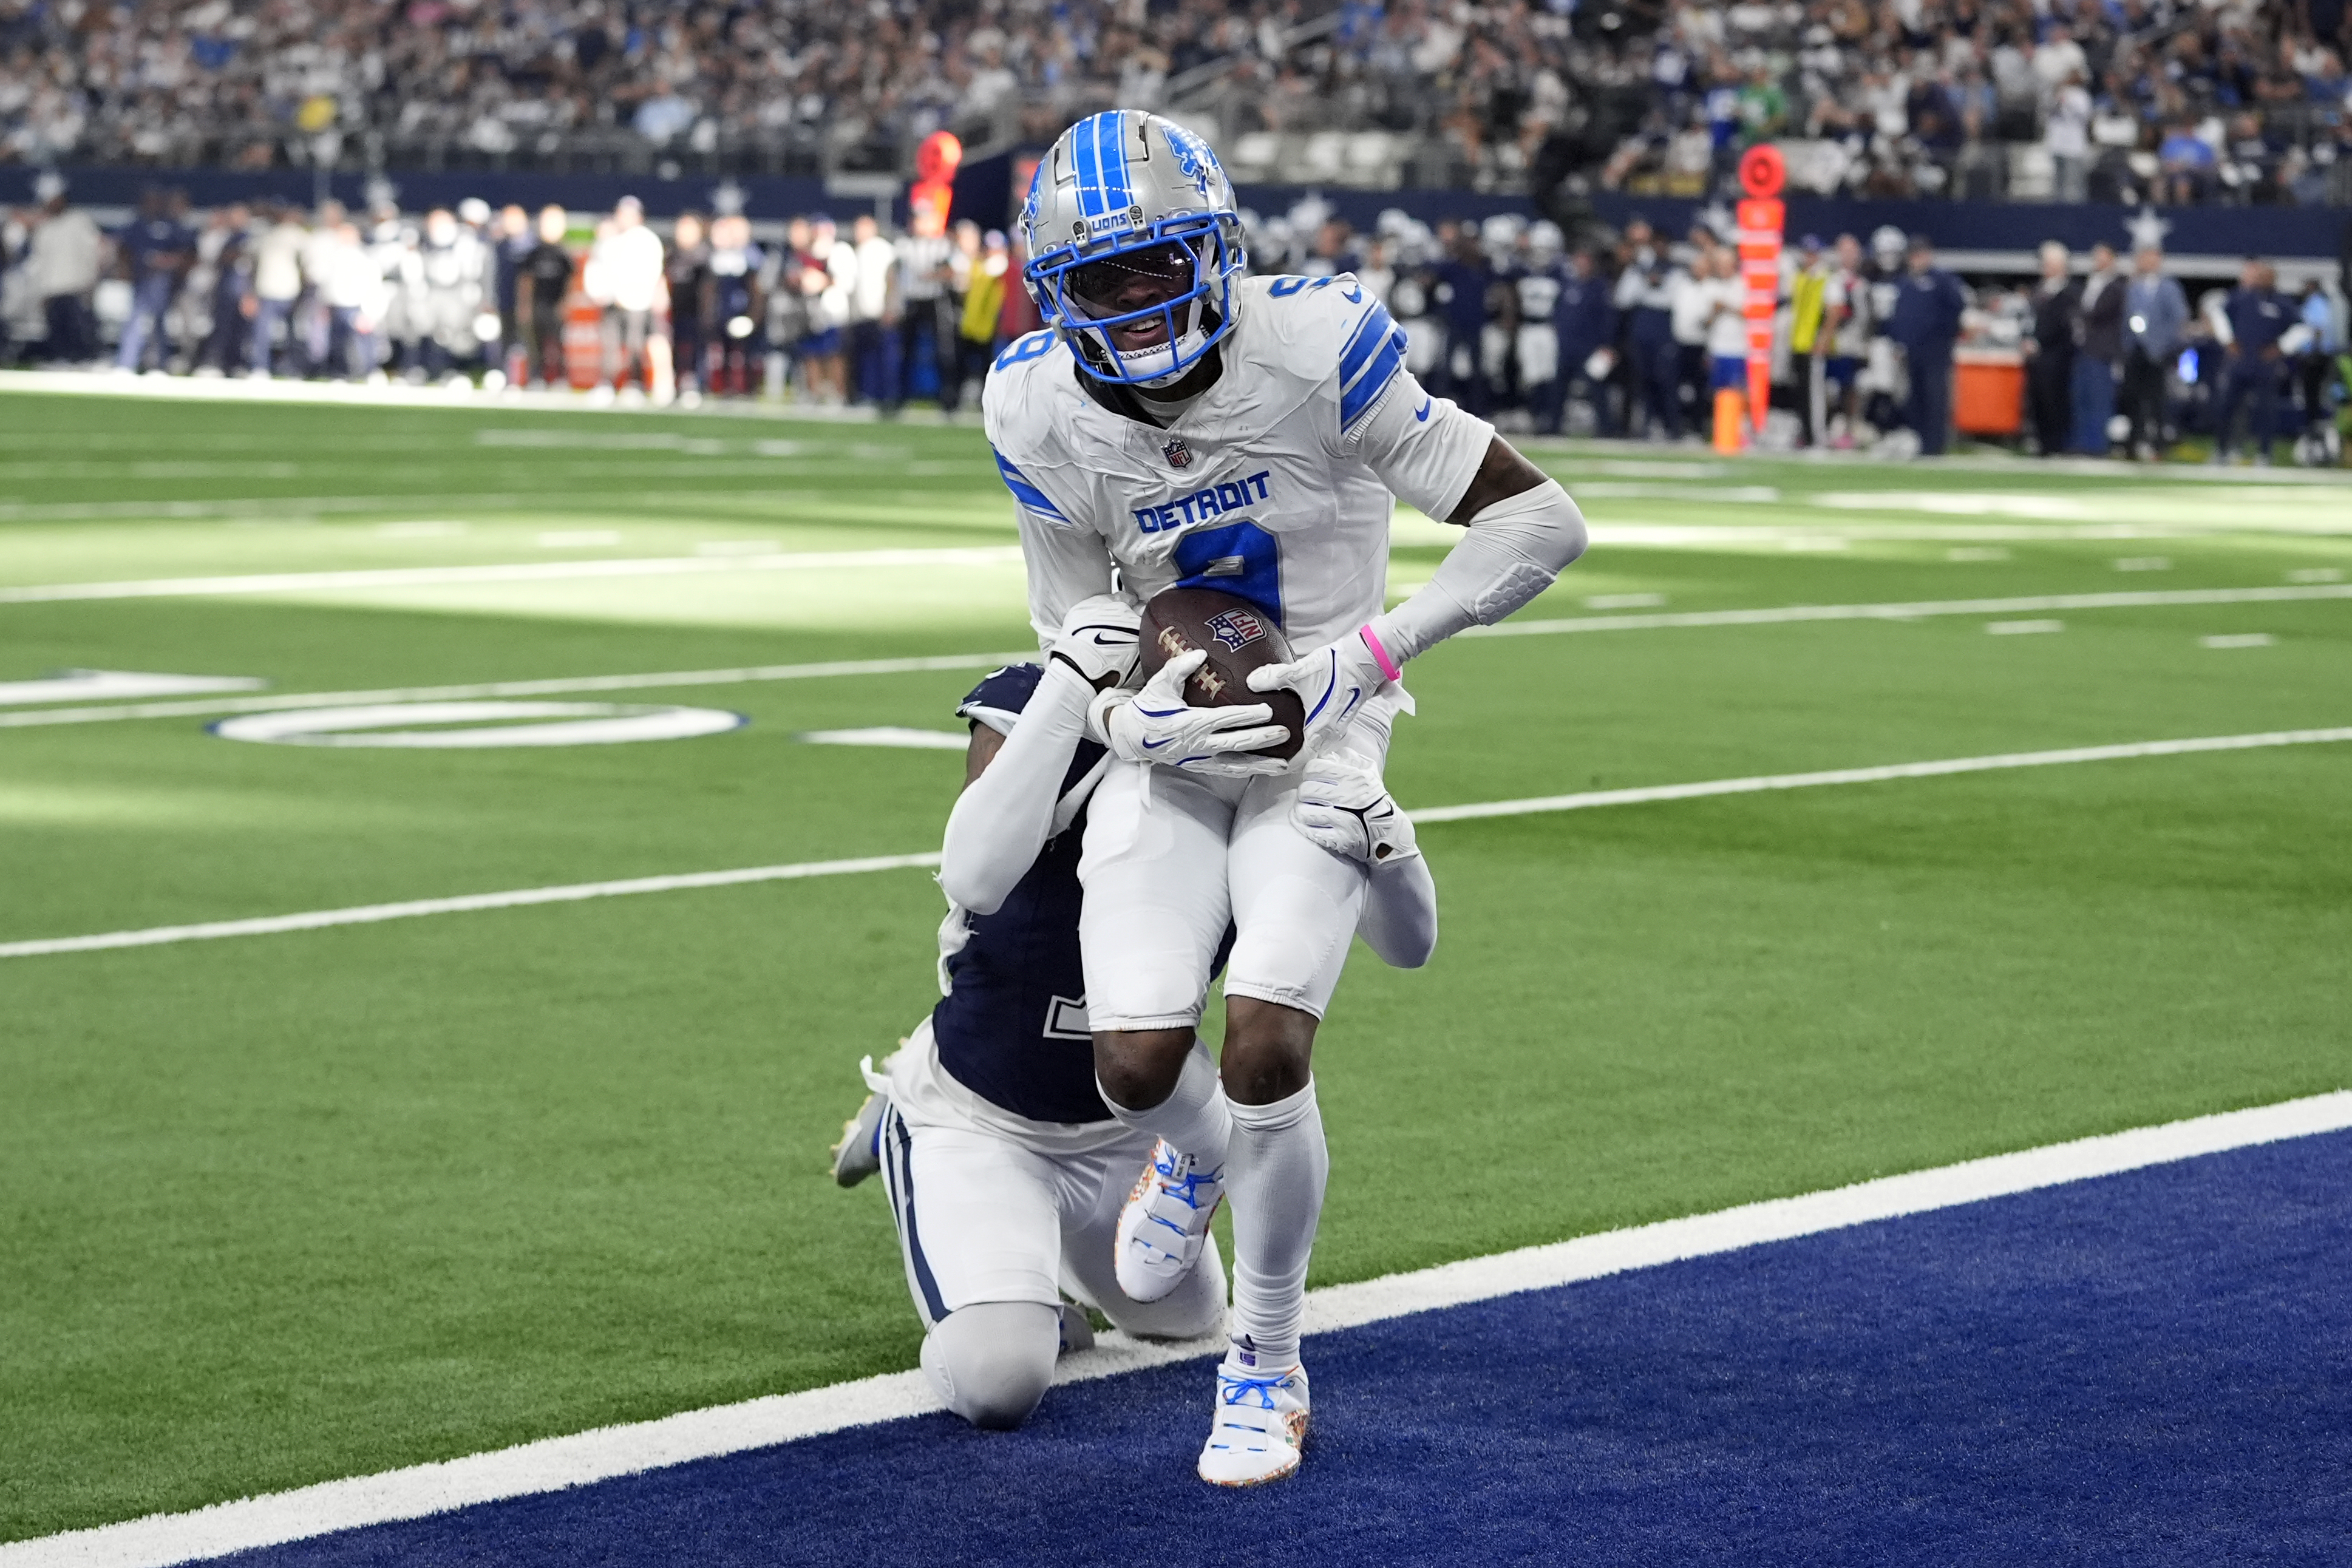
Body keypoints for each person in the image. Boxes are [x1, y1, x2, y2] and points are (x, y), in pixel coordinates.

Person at [985, 110, 1588, 1487]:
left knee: (1264, 1039)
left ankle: (1263, 1360)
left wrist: (1358, 662)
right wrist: (1115, 701)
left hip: (1327, 736)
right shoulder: (1028, 398)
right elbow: (1070, 610)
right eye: (1102, 280)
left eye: (1160, 268)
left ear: (1218, 251)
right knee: (1134, 1062)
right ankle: (1195, 1161)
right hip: (1172, 743)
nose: (1136, 304)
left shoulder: (1312, 341)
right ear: (1052, 294)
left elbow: (1540, 522)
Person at [829, 616, 1438, 1433]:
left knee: (1180, 1320)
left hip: (1131, 1126)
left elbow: (1407, 943)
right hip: (988, 1110)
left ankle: (1049, 1248)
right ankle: (913, 1124)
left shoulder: (1272, 752)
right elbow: (974, 873)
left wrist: (1390, 842)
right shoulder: (1048, 701)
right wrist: (1075, 688)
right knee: (998, 1377)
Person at [1885, 234, 1966, 456]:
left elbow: (1955, 310)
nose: (1916, 259)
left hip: (1935, 350)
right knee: (1916, 397)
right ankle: (1919, 441)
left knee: (1935, 397)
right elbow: (1899, 315)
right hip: (1912, 350)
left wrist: (1943, 337)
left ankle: (1935, 445)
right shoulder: (1905, 282)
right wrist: (1899, 341)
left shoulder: (1942, 281)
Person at [2212, 258, 2293, 466]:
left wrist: (2282, 347)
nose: (2262, 280)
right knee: (2226, 407)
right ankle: (2221, 451)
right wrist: (2228, 340)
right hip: (2240, 362)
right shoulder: (2241, 298)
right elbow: (2219, 314)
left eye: (2266, 276)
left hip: (2264, 366)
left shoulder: (2282, 303)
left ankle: (2265, 453)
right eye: (2260, 276)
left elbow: (2302, 328)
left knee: (2265, 411)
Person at [589, 195, 667, 396]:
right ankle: (608, 384)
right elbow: (598, 269)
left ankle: (635, 384)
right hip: (612, 302)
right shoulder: (610, 239)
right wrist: (601, 293)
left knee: (635, 345)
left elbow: (652, 273)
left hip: (637, 302)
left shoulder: (647, 240)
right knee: (610, 346)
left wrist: (633, 292)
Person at [113, 189, 194, 372]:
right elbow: (124, 248)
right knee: (136, 319)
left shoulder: (170, 225)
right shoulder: (137, 225)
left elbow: (186, 252)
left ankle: (160, 363)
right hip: (141, 278)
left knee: (158, 321)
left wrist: (167, 261)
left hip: (163, 280)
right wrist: (125, 269)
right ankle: (126, 362)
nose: (153, 205)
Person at [2120, 245, 2188, 461]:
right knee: (2133, 398)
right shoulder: (2133, 287)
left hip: (2157, 352)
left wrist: (2163, 345)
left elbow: (2177, 319)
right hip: (2135, 350)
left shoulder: (2169, 287)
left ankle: (2158, 446)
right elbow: (2126, 318)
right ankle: (2133, 444)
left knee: (2156, 400)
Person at [1614, 240, 1677, 438]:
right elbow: (1622, 299)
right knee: (1641, 381)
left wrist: (1658, 283)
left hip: (1663, 330)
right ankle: (1645, 425)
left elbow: (1673, 299)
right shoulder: (1635, 274)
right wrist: (1639, 278)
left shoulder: (1674, 273)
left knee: (1666, 380)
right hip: (1642, 329)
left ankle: (1672, 426)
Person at [1554, 248, 1619, 437]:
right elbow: (1559, 314)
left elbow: (1608, 319)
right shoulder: (1567, 285)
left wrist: (1607, 345)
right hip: (1568, 346)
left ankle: (1606, 428)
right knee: (1559, 388)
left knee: (1598, 389)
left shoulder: (1599, 288)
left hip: (1591, 348)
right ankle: (1553, 425)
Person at [2024, 241, 2079, 458]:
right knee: (2036, 400)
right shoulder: (2039, 290)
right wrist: (2027, 340)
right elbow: (2030, 321)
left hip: (2057, 357)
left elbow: (2064, 326)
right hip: (2036, 357)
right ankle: (2041, 442)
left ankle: (2057, 443)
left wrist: (2040, 342)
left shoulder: (2070, 293)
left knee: (2055, 400)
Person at [2069, 242, 2123, 455]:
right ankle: (2081, 442)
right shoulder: (2089, 284)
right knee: (2081, 397)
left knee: (2099, 399)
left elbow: (2097, 315)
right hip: (2083, 349)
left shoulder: (2117, 287)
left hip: (2102, 351)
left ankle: (2097, 445)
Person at [514, 206, 576, 387]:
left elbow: (570, 282)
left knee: (559, 344)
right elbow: (526, 281)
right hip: (537, 305)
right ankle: (537, 378)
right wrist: (524, 306)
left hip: (556, 305)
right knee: (536, 345)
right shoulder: (534, 252)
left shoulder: (564, 253)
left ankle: (561, 379)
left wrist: (565, 304)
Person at [705, 212, 764, 397]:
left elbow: (756, 288)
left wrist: (754, 315)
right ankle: (724, 387)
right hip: (723, 310)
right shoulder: (719, 255)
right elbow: (710, 287)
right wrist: (708, 311)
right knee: (722, 352)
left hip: (742, 310)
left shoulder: (750, 254)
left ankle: (746, 388)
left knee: (745, 353)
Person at [1786, 235, 1830, 447]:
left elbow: (1833, 311)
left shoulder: (1825, 277)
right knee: (1802, 393)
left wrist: (1823, 339)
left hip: (1813, 343)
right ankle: (1806, 434)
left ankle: (1816, 437)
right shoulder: (1801, 277)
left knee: (1814, 396)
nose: (1809, 257)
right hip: (1799, 342)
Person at [849, 212, 896, 404]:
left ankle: (885, 398)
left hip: (879, 312)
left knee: (882, 359)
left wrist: (890, 308)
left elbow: (892, 281)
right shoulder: (857, 250)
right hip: (861, 315)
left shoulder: (883, 249)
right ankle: (865, 395)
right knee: (863, 359)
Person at [664, 211, 711, 395]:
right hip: (675, 310)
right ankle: (676, 382)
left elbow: (709, 286)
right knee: (675, 347)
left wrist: (707, 310)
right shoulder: (672, 253)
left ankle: (695, 383)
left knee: (696, 348)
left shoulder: (704, 254)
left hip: (697, 310)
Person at [960, 228, 1011, 396]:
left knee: (988, 365)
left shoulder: (998, 265)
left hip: (992, 325)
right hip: (974, 323)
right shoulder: (979, 265)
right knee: (970, 364)